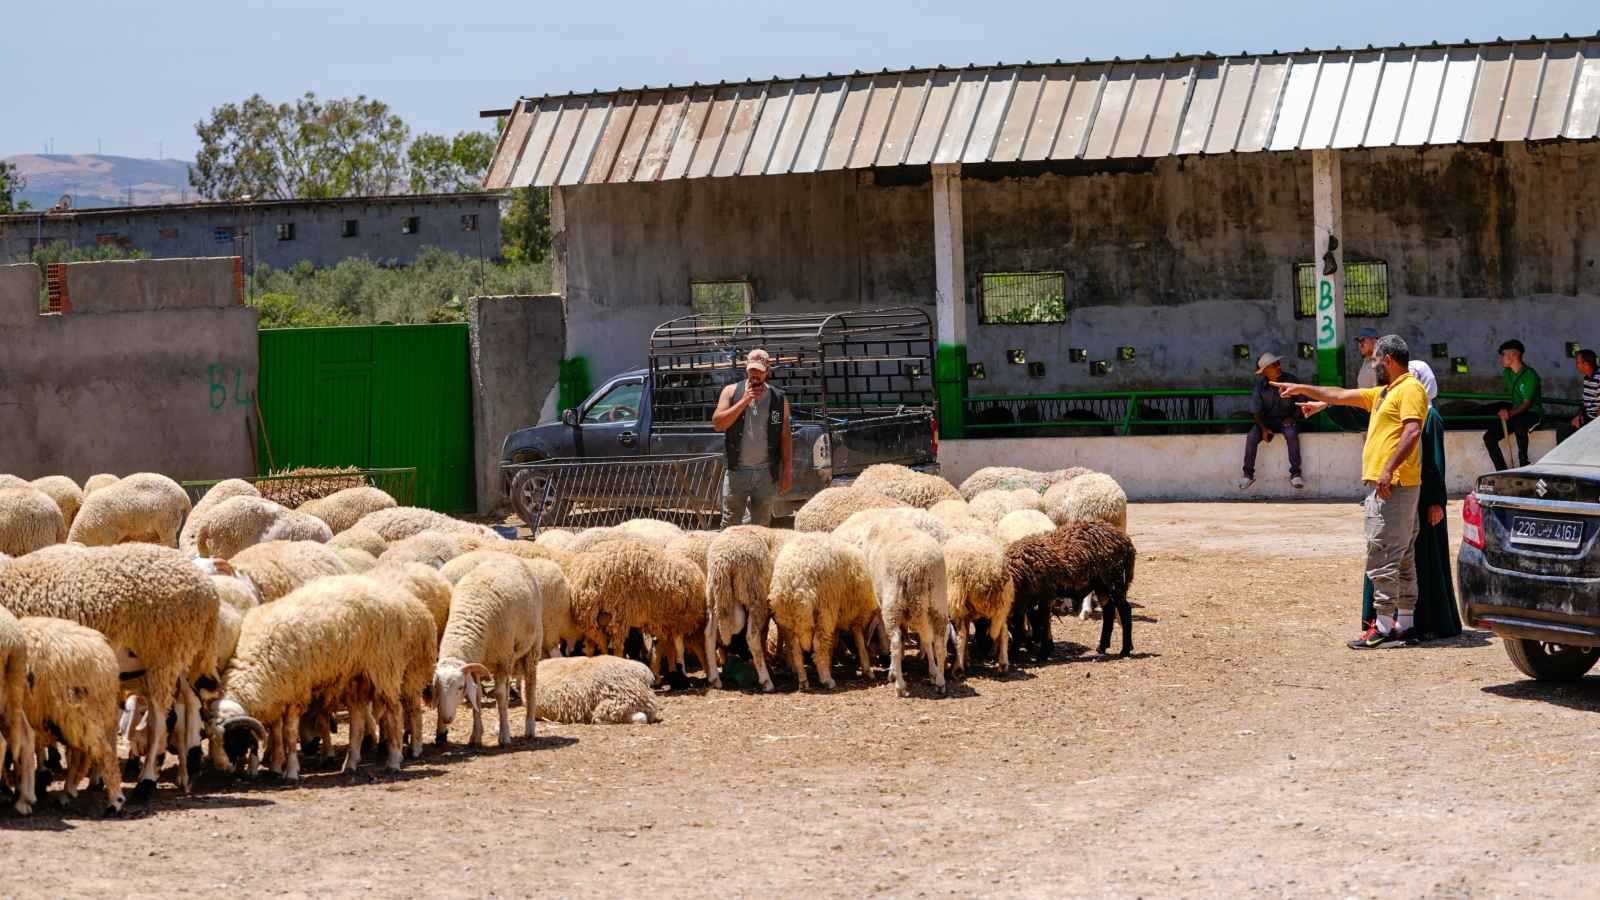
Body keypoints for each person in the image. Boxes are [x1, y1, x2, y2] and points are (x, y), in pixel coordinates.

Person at [1273, 335, 1428, 649]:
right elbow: (1340, 394)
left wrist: (1387, 468)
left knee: (1383, 552)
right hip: (1393, 484)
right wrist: (1303, 388)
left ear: (1388, 360)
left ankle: (1384, 626)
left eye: (1375, 361)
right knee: (1401, 554)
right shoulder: (1385, 393)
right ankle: (1404, 623)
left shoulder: (1410, 389)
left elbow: (1412, 430)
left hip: (1393, 485)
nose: (1373, 366)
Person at [711, 348, 792, 528]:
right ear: (746, 369)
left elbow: (784, 434)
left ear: (767, 372)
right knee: (730, 523)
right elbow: (718, 424)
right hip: (737, 471)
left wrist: (787, 471)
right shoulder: (731, 392)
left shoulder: (777, 399)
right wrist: (744, 401)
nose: (754, 376)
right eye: (751, 371)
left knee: (762, 526)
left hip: (765, 473)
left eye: (759, 372)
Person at [1238, 352, 1305, 491]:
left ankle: (1295, 474)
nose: (1278, 366)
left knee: (1291, 433)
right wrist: (1263, 429)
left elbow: (1302, 403)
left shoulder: (1291, 380)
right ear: (1265, 371)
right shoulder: (1259, 387)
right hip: (1266, 422)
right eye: (1274, 365)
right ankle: (1247, 475)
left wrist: (1293, 417)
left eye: (1277, 363)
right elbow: (1256, 411)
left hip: (1287, 420)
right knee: (1251, 436)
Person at [1482, 339, 1541, 471]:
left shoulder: (1530, 375)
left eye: (1503, 355)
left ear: (1514, 355)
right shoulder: (1507, 373)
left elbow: (1527, 404)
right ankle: (1502, 471)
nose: (1501, 359)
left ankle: (1524, 464)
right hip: (1516, 412)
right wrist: (1507, 411)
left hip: (1532, 413)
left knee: (1519, 423)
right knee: (1489, 437)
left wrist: (1510, 413)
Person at [1557, 349, 1599, 443]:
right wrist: (1579, 416)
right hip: (1589, 418)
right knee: (1563, 430)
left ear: (1586, 364)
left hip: (1596, 421)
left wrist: (1593, 426)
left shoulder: (1599, 378)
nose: (1576, 366)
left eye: (1578, 362)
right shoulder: (1587, 378)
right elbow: (1586, 402)